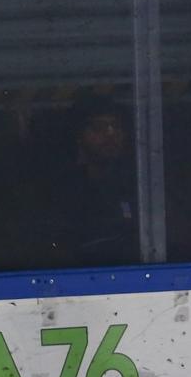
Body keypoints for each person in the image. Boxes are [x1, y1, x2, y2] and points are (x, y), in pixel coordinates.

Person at [36, 94, 140, 268]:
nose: (110, 134)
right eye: (99, 127)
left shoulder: (137, 181)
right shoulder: (60, 187)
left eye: (116, 126)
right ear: (78, 135)